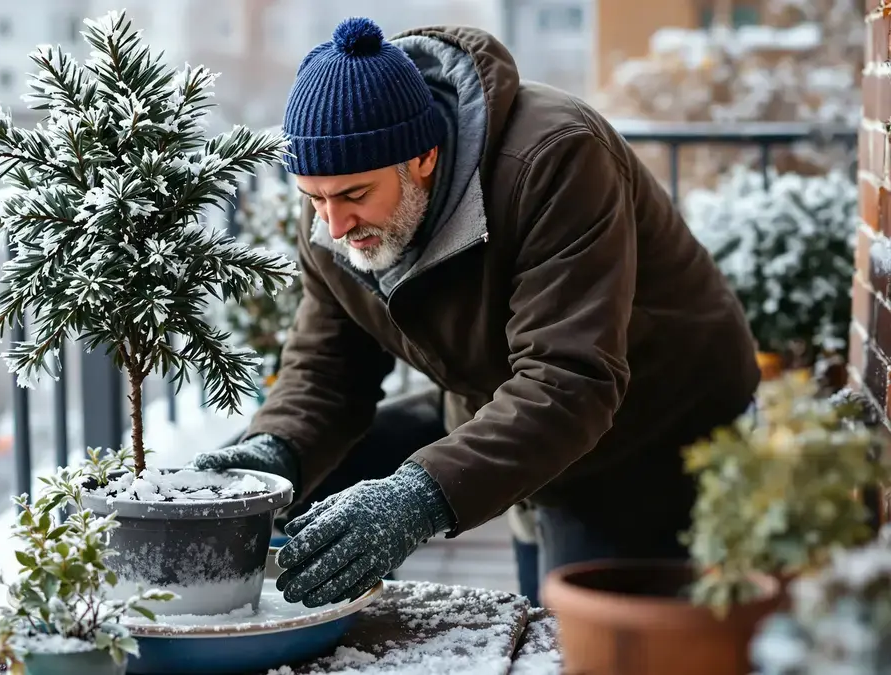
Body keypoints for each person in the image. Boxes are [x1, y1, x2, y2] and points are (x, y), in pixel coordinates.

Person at [191, 16, 759, 609]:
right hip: (505, 410)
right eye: (315, 198)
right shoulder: (336, 222)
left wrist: (418, 498)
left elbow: (569, 379)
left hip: (649, 430)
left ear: (424, 158)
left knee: (579, 638)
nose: (333, 225)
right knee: (530, 607)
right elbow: (329, 372)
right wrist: (272, 451)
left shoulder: (555, 160)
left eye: (355, 195)